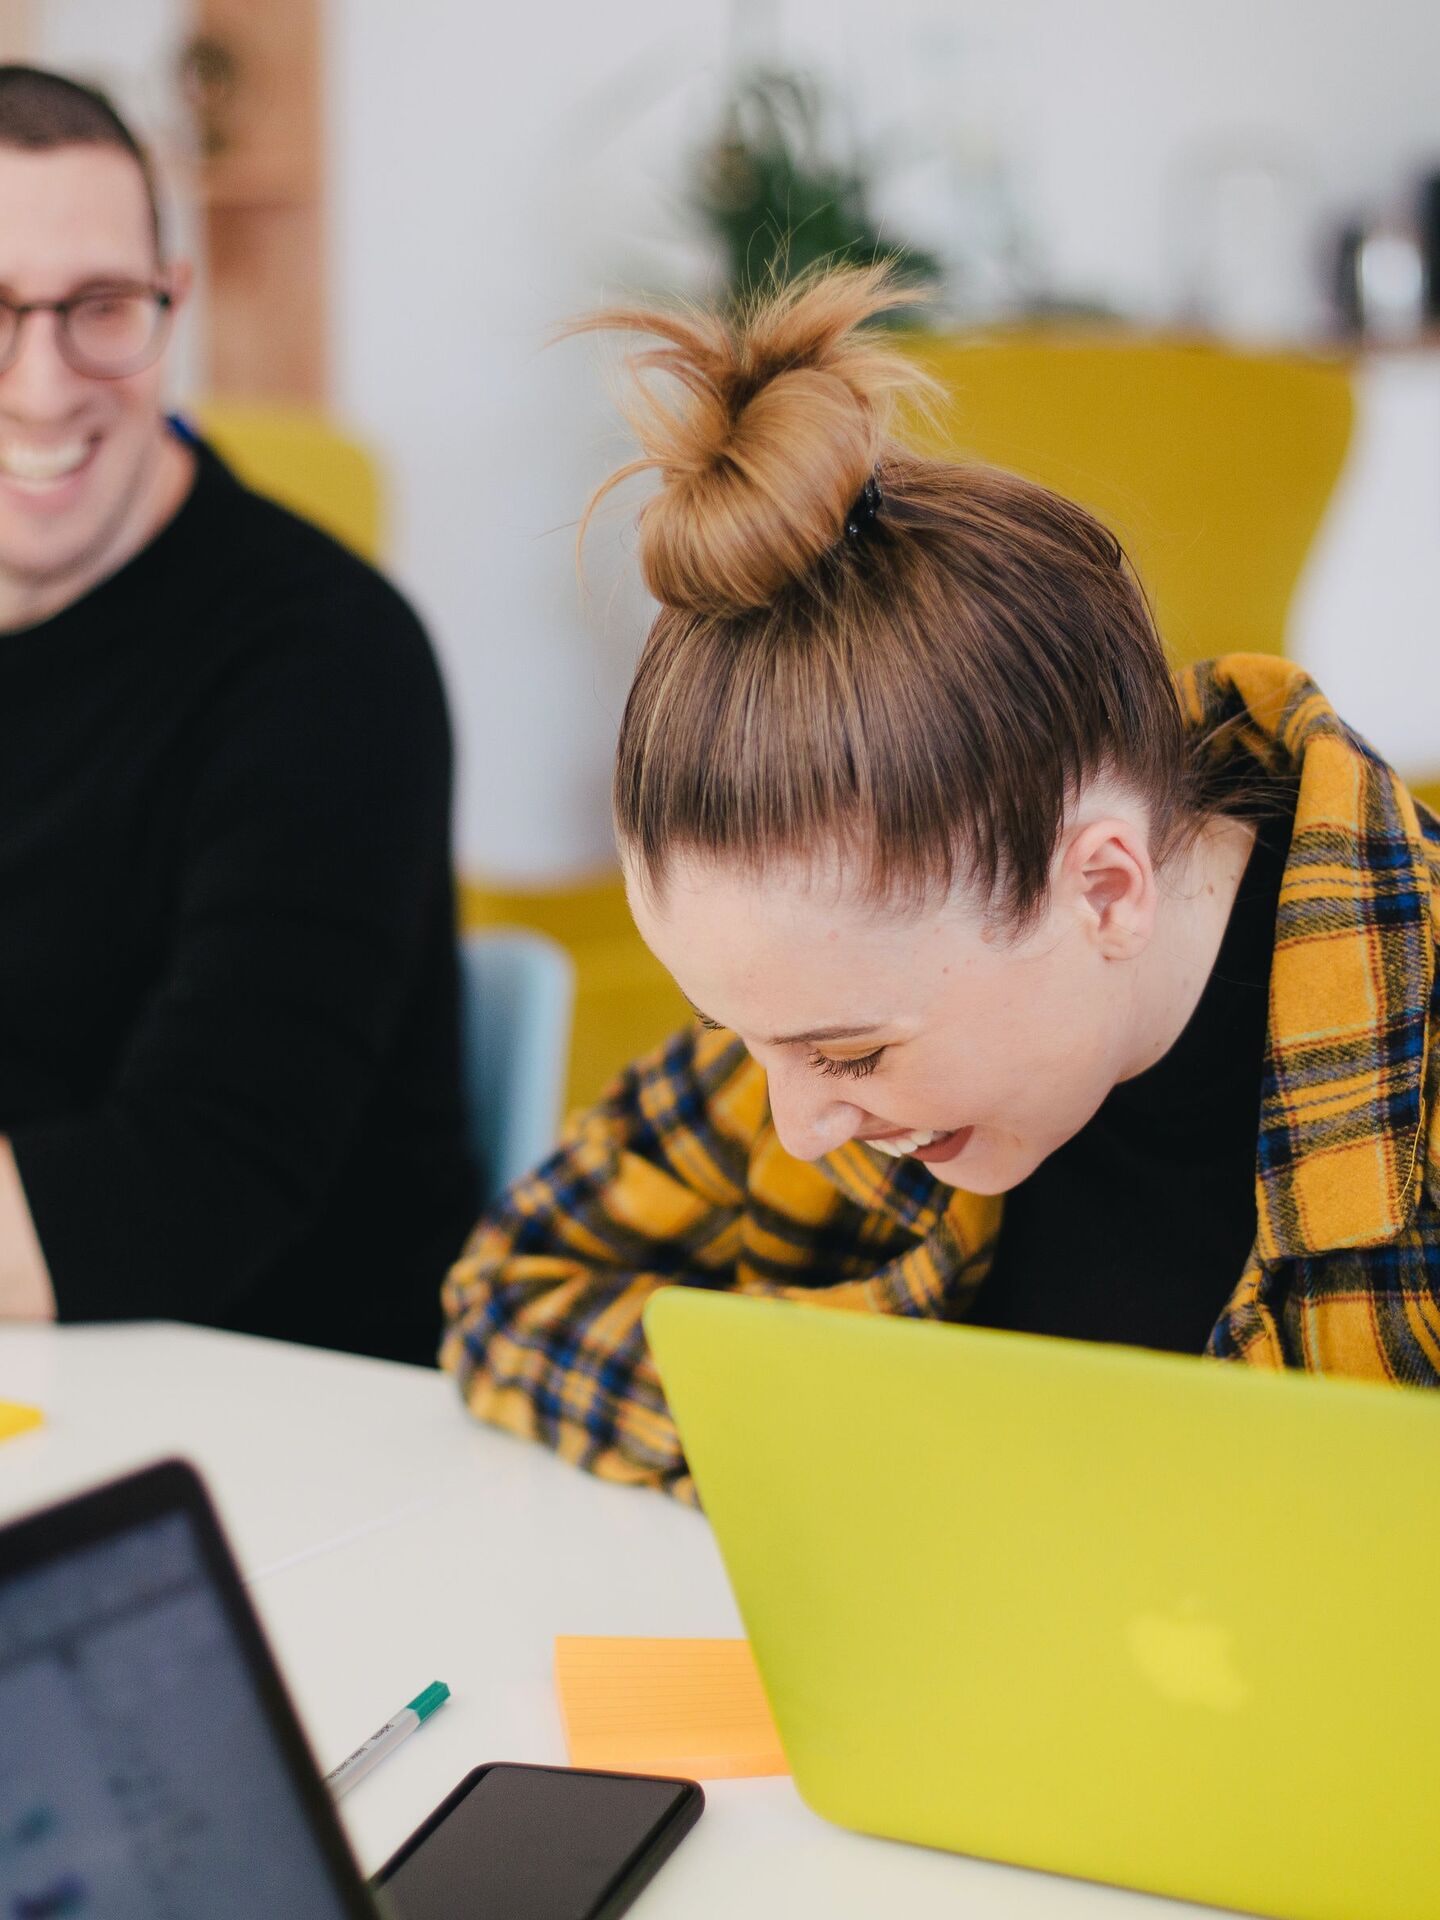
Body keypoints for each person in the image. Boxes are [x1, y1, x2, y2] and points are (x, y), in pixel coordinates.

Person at [441, 264, 1440, 1498]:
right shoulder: (823, 997)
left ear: (1109, 888)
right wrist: (857, 1449)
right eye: (739, 1035)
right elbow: (509, 1291)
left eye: (851, 1057)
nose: (800, 1125)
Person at [0, 66, 474, 1365]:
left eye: (100, 309)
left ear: (174, 305)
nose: (43, 387)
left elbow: (188, 1190)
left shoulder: (329, 661)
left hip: (284, 1422)